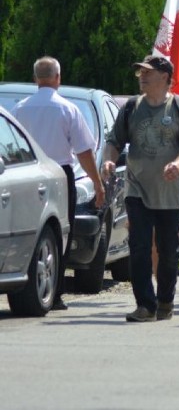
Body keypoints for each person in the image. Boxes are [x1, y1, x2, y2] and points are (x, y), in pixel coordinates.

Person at [103, 55, 179, 322]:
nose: (142, 77)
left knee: (169, 252)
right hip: (136, 189)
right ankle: (145, 305)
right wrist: (109, 159)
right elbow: (114, 140)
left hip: (170, 194)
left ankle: (166, 300)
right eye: (140, 73)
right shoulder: (132, 107)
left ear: (165, 77)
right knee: (139, 247)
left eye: (148, 72)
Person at [12, 56, 106, 311]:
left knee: (29, 229)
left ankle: (27, 285)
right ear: (58, 78)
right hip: (60, 174)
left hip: (26, 173)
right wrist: (97, 183)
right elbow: (85, 151)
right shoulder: (67, 109)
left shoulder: (20, 108)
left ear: (35, 79)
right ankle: (55, 293)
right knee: (60, 232)